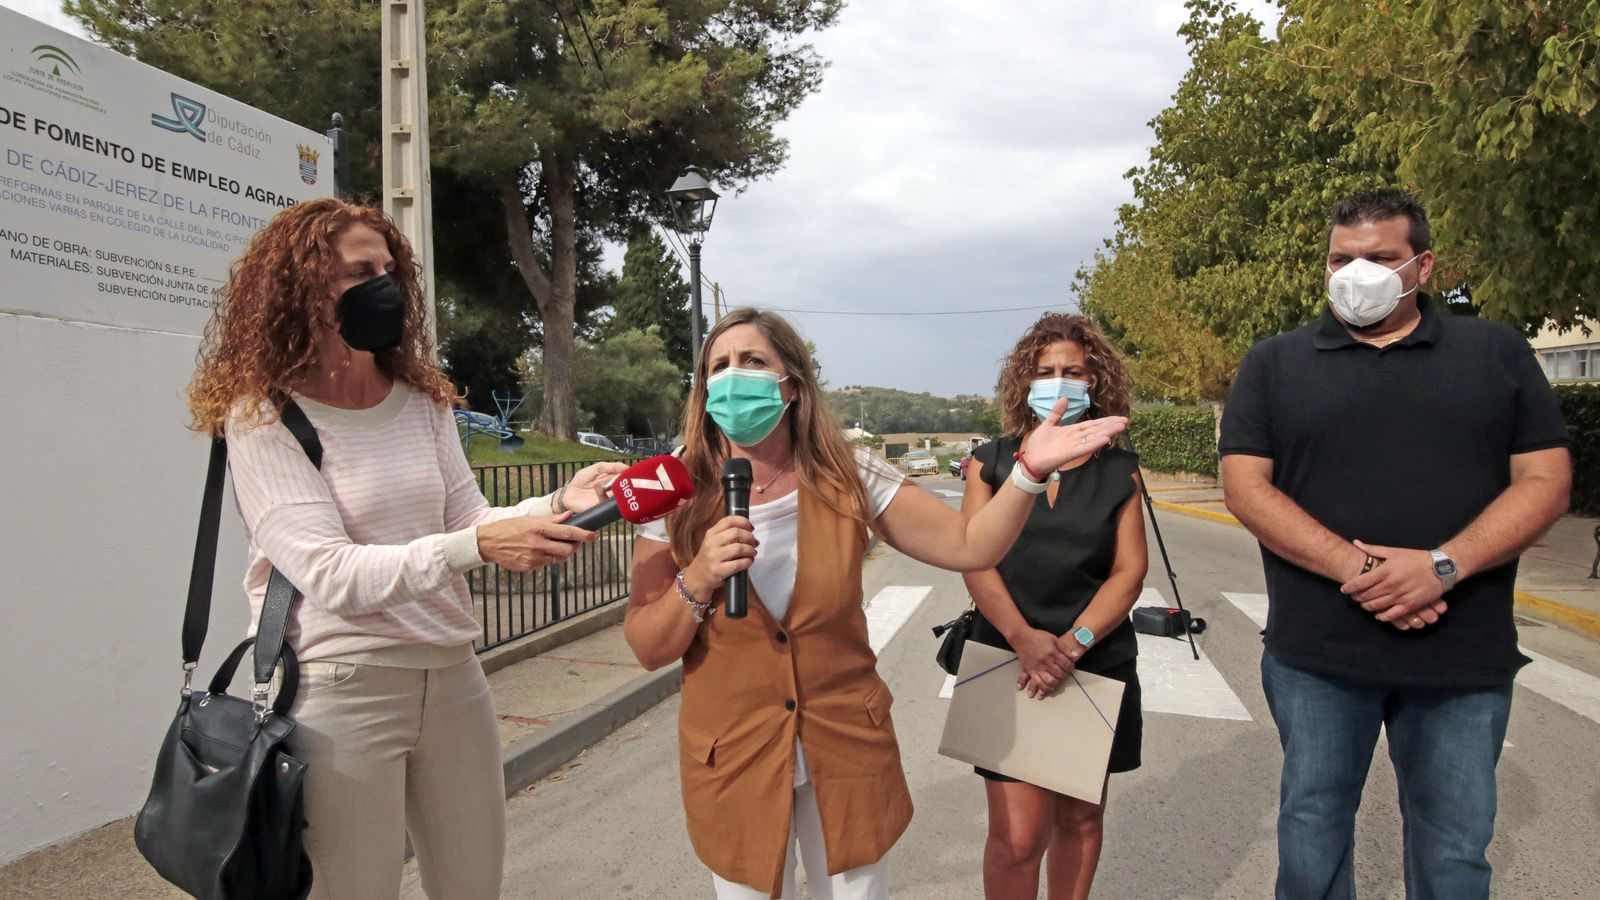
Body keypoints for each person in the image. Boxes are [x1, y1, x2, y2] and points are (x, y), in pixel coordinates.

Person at [186, 198, 625, 900]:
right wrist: (476, 546)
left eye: (389, 270)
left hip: (454, 678)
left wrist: (556, 503)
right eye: (360, 271)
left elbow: (469, 517)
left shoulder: (421, 399)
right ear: (303, 286)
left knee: (473, 887)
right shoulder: (265, 415)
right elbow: (331, 574)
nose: (384, 285)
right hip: (342, 689)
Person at [624, 308, 1128, 899]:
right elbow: (648, 646)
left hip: (844, 743)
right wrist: (698, 579)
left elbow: (970, 545)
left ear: (791, 384)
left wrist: (1028, 473)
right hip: (733, 753)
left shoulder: (850, 473)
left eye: (753, 361)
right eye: (719, 366)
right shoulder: (670, 489)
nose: (734, 377)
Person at [1219, 188, 1571, 900]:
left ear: (1423, 265)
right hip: (1317, 656)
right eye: (1340, 259)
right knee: (1311, 842)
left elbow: (1546, 480)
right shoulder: (1276, 362)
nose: (1356, 273)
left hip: (1461, 656)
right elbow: (1246, 488)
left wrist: (1443, 567)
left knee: (1455, 854)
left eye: (1380, 258)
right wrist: (1367, 570)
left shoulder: (1494, 352)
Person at [962, 313, 1147, 900]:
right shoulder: (990, 462)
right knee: (1016, 839)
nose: (1059, 382)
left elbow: (1129, 571)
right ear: (1025, 381)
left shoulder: (1121, 471)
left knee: (1081, 819)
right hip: (1005, 658)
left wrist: (1073, 645)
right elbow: (974, 558)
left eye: (1073, 371)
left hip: (1093, 661)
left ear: (1095, 381)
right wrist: (1023, 638)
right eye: (1045, 372)